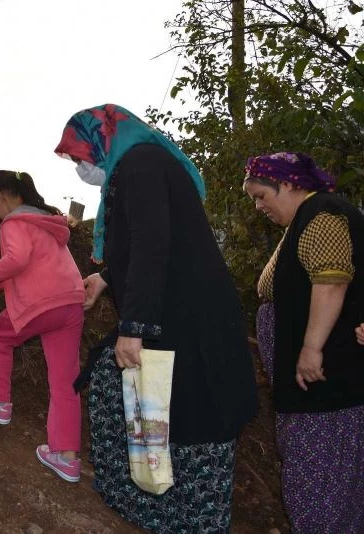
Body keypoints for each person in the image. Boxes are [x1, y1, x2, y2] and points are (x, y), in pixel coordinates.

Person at [55, 104, 257, 531]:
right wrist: (108, 277)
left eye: (78, 157)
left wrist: (133, 328)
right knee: (130, 395)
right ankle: (149, 509)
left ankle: (185, 519)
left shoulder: (140, 166)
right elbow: (156, 243)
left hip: (187, 320)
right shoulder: (140, 164)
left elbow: (152, 243)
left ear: (98, 140)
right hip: (176, 310)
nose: (80, 168)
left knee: (190, 420)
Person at [243, 152, 364, 533]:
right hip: (316, 387)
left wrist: (310, 349)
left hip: (326, 386)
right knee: (320, 478)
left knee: (321, 480)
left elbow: (331, 281)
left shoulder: (323, 214)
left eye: (262, 195)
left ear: (291, 183)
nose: (259, 205)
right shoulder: (307, 218)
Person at [0, 170, 85, 483]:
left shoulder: (15, 222)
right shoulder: (47, 223)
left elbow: (17, 260)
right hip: (71, 301)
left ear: (3, 195)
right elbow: (28, 270)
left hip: (41, 303)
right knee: (65, 379)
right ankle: (66, 456)